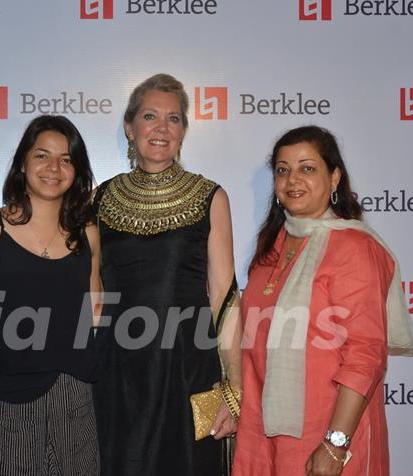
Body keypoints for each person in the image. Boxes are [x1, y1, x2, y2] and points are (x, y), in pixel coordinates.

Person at [232, 126, 413, 476]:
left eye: (307, 168)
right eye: (282, 169)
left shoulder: (354, 248)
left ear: (334, 177)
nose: (292, 180)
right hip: (262, 436)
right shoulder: (270, 249)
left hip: (327, 437)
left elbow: (365, 356)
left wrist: (335, 444)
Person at [92, 73, 241, 476]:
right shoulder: (100, 199)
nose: (161, 128)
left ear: (184, 131)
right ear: (129, 126)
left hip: (190, 371)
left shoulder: (210, 196)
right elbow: (90, 293)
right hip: (118, 372)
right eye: (150, 116)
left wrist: (232, 390)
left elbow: (225, 296)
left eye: (173, 119)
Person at [0, 115, 101, 475]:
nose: (54, 168)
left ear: (77, 170)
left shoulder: (87, 233)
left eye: (66, 159)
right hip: (2, 401)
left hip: (74, 397)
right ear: (22, 163)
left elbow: (96, 310)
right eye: (42, 155)